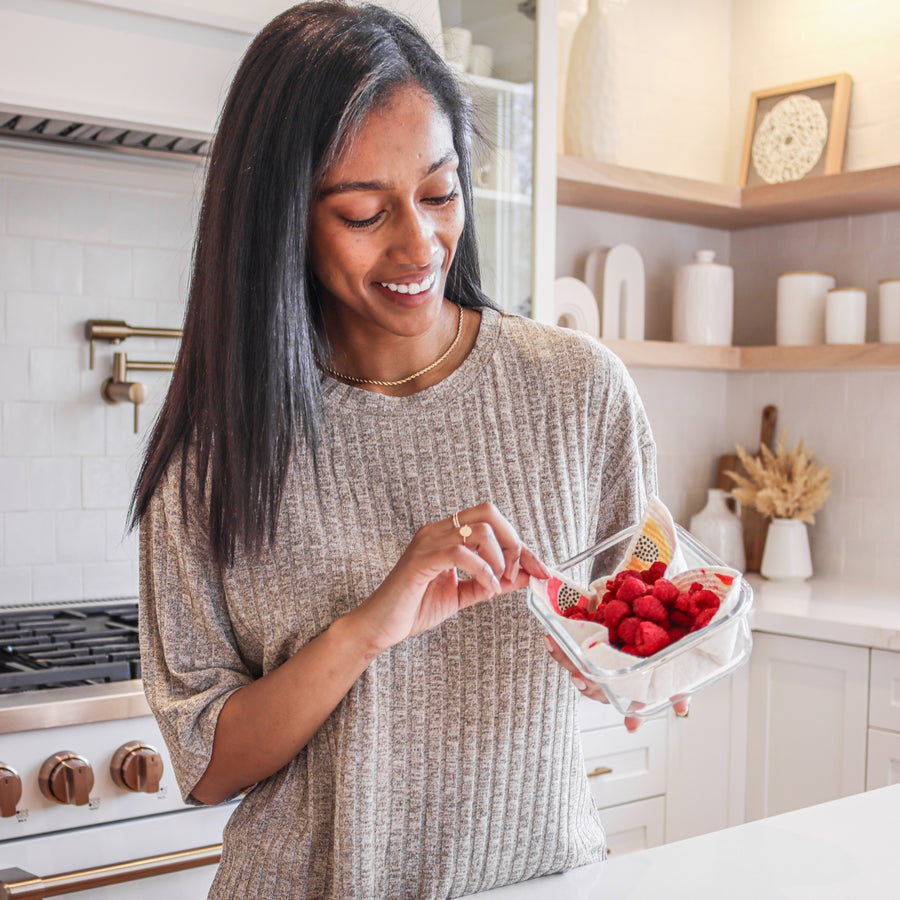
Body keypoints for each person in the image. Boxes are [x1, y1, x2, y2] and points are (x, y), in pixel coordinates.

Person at [132, 3, 663, 897]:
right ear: (283, 220)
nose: (419, 243)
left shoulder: (580, 391)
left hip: (541, 878)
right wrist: (370, 625)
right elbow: (207, 763)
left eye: (439, 191)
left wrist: (653, 657)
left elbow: (646, 573)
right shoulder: (216, 453)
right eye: (363, 212)